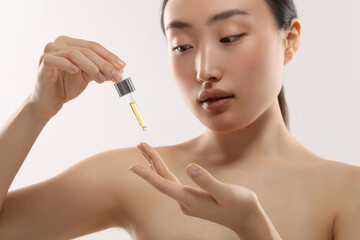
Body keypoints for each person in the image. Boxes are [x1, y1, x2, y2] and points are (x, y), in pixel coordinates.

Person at [0, 0, 359, 239]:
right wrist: (36, 109)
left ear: (290, 41)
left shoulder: (348, 193)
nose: (204, 70)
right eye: (182, 46)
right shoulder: (141, 176)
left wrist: (256, 230)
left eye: (230, 36)